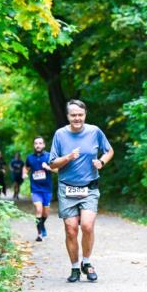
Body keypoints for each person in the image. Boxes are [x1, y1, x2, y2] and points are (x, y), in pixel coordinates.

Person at [48, 100, 114, 282]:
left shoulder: (94, 132)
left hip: (89, 186)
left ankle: (87, 262)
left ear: (85, 115)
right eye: (73, 115)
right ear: (68, 116)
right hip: (67, 187)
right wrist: (68, 157)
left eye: (80, 115)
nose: (77, 118)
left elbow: (109, 151)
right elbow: (53, 163)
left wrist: (101, 162)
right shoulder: (60, 135)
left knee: (86, 225)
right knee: (70, 230)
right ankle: (75, 267)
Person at [25, 136, 54, 242]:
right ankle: (40, 234)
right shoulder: (30, 158)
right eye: (36, 143)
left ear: (44, 145)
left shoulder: (49, 156)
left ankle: (42, 224)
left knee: (46, 213)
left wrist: (48, 167)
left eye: (40, 143)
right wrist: (24, 174)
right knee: (38, 209)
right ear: (34, 145)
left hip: (47, 189)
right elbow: (27, 168)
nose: (38, 145)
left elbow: (57, 169)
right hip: (35, 188)